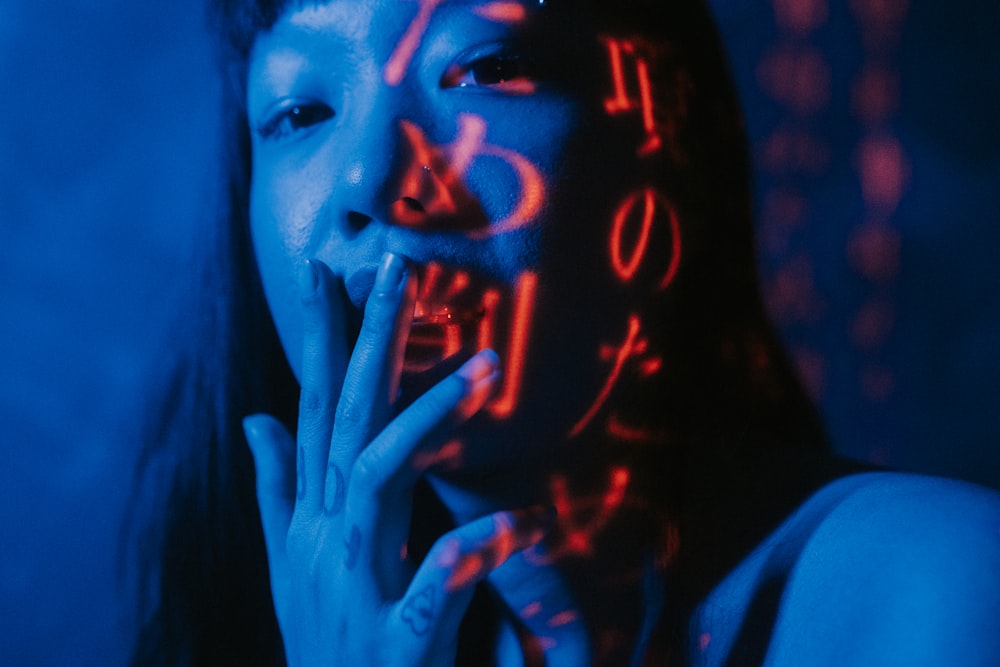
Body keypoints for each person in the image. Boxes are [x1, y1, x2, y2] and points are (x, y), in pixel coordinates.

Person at [129, 0, 1000, 665]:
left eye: (486, 67)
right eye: (299, 113)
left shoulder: (938, 590)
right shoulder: (255, 623)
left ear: (665, 147)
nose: (369, 176)